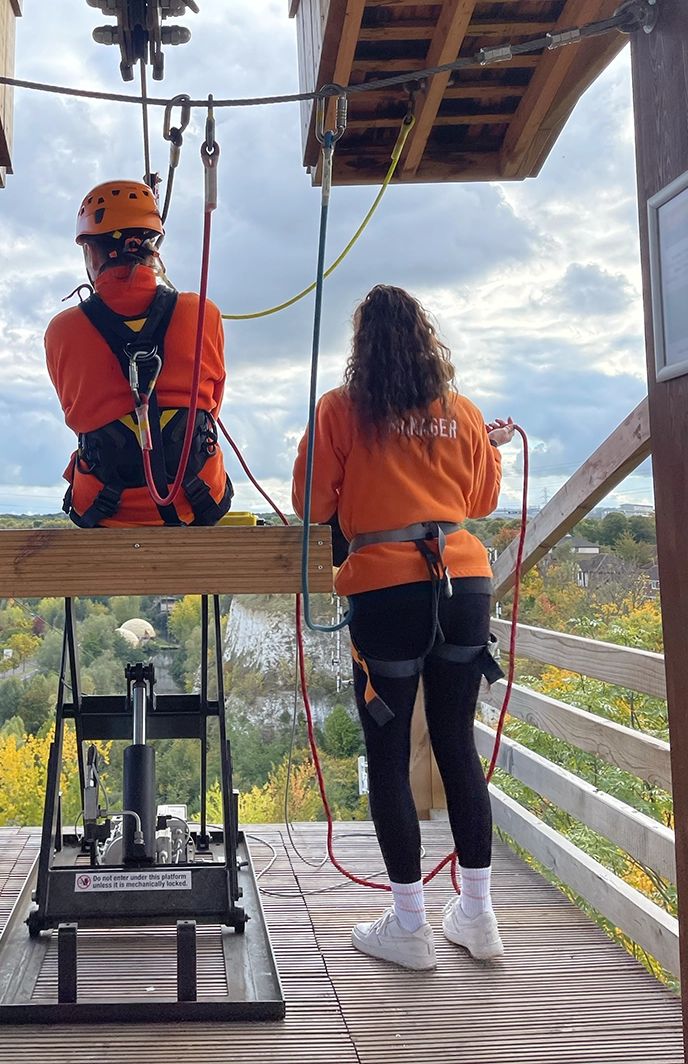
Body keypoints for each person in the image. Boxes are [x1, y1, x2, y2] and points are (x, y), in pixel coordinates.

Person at [292, 284, 515, 971]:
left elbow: (310, 500)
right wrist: (486, 444)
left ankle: (410, 926)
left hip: (388, 588)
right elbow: (479, 499)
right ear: (427, 341)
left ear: (363, 348)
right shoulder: (463, 412)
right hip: (464, 582)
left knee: (389, 750)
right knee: (454, 740)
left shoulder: (341, 410)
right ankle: (477, 916)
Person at [45, 179, 233, 527]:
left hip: (105, 510)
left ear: (90, 252)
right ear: (153, 250)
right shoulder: (203, 314)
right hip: (197, 501)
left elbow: (76, 409)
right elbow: (212, 403)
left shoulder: (62, 331)